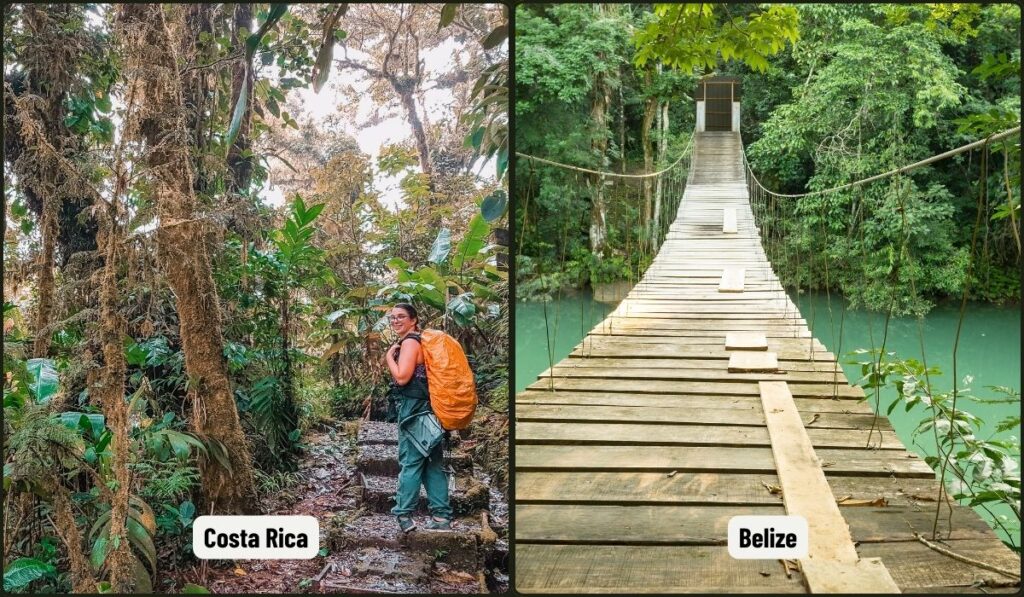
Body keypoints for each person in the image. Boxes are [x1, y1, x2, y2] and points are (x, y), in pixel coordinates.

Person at [383, 303, 453, 532]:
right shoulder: (421, 341)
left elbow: (402, 378)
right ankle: (442, 518)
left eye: (401, 316)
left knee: (411, 462)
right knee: (433, 464)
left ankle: (403, 515)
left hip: (415, 410)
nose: (395, 321)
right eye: (392, 318)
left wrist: (388, 359)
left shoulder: (411, 342)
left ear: (413, 319)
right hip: (430, 409)